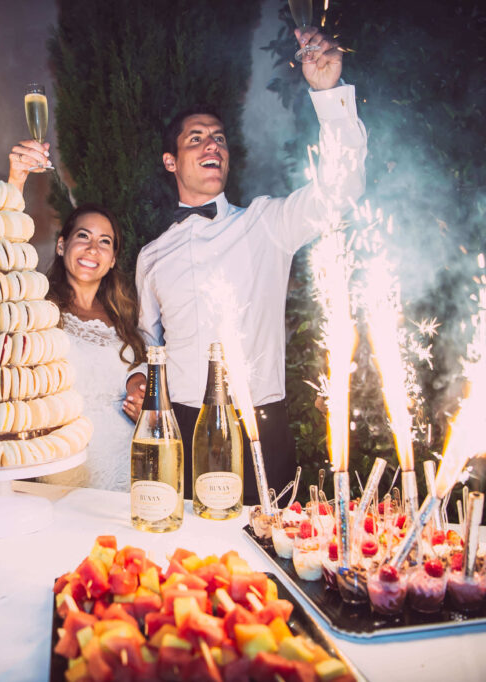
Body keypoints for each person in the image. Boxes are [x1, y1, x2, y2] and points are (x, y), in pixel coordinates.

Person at [130, 27, 368, 506]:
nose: (211, 146)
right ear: (171, 161)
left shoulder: (267, 223)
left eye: (218, 138)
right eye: (195, 139)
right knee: (186, 558)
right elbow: (149, 341)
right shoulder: (151, 256)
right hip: (179, 423)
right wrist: (137, 375)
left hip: (258, 421)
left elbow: (341, 189)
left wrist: (328, 94)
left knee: (266, 555)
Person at [8, 143, 147, 491]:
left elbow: (145, 362)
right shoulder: (36, 307)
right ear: (61, 245)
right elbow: (3, 258)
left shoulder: (125, 314)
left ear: (113, 259)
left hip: (125, 459)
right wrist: (16, 178)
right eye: (83, 236)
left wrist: (140, 387)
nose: (92, 249)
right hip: (65, 460)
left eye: (105, 242)